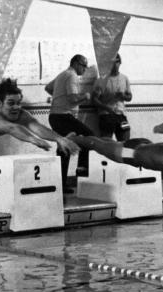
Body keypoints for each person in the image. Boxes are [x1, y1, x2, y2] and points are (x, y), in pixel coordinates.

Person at [45, 54, 95, 194]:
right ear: (76, 63)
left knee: (64, 148)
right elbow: (73, 98)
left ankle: (60, 184)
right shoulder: (72, 75)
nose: (85, 69)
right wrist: (85, 96)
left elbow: (48, 87)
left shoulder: (63, 74)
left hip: (55, 117)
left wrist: (57, 96)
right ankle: (82, 168)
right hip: (63, 116)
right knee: (89, 135)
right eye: (84, 66)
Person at [92, 53, 132, 141]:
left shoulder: (124, 78)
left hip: (121, 116)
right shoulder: (101, 80)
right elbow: (94, 99)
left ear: (120, 63)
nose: (115, 65)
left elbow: (129, 97)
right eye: (112, 63)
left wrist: (123, 96)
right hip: (106, 116)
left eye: (117, 62)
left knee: (126, 142)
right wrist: (106, 108)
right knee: (106, 144)